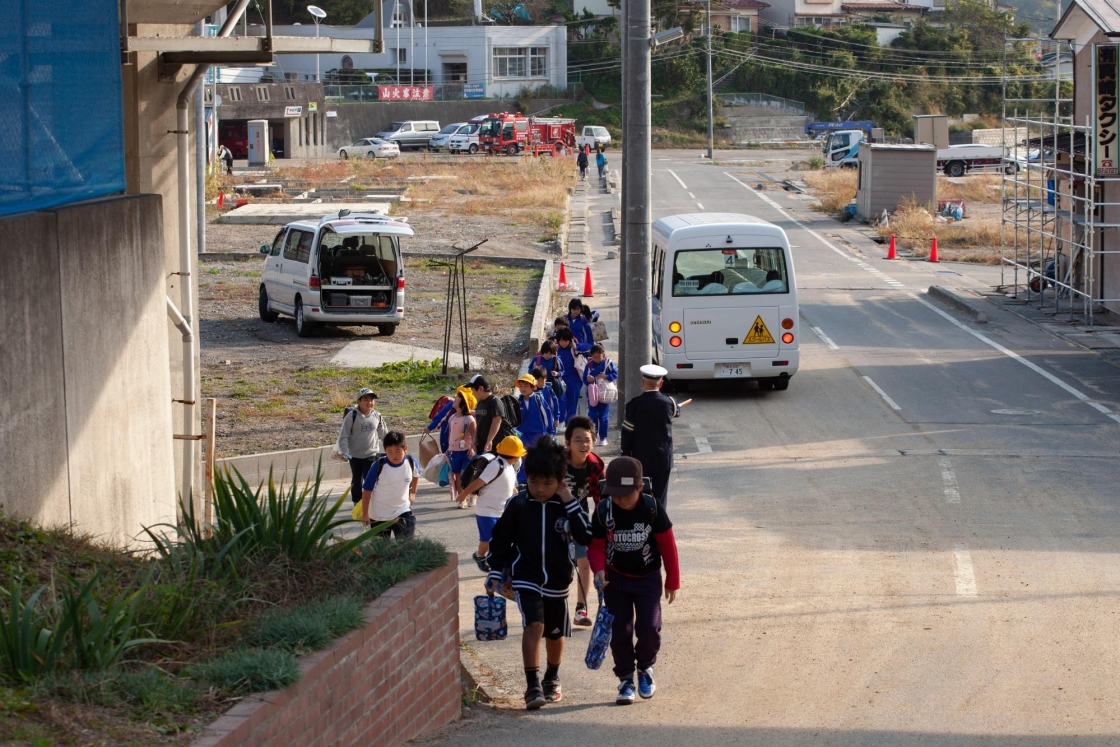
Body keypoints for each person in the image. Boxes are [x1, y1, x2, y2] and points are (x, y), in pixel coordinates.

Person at [485, 440, 592, 710]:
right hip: (526, 577)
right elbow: (500, 540)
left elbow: (586, 535)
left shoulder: (565, 505)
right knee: (534, 625)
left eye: (547, 483)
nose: (540, 489)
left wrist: (569, 500)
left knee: (555, 634)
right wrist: (495, 572)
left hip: (557, 581)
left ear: (560, 481)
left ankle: (551, 677)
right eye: (534, 482)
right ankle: (532, 686)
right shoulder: (519, 503)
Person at [588, 457, 680, 705]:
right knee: (620, 631)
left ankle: (646, 668)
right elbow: (595, 548)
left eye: (625, 495)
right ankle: (626, 678)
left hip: (647, 579)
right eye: (615, 495)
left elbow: (667, 545)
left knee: (649, 628)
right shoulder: (603, 510)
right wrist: (598, 570)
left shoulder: (652, 507)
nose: (620, 500)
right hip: (615, 580)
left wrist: (673, 579)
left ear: (640, 488)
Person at [563, 415, 604, 627]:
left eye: (587, 439)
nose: (583, 444)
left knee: (584, 561)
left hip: (580, 516)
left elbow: (601, 500)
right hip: (555, 518)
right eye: (578, 440)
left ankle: (581, 608)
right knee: (558, 563)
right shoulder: (557, 461)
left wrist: (601, 528)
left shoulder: (595, 465)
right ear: (567, 442)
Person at [620, 364, 681, 509]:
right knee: (660, 498)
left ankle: (644, 523)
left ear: (642, 383)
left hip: (641, 458)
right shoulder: (669, 403)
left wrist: (625, 454)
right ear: (661, 383)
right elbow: (676, 411)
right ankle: (660, 525)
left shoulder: (633, 405)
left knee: (641, 495)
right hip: (663, 458)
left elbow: (627, 433)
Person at [462, 435, 524, 572]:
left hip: (502, 510)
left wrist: (520, 498)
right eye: (519, 455)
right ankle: (481, 557)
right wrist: (463, 494)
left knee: (498, 538)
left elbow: (510, 488)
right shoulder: (496, 466)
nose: (520, 458)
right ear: (513, 456)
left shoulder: (509, 467)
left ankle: (492, 559)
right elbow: (479, 482)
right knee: (488, 539)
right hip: (487, 510)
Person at [359, 431, 420, 538]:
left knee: (406, 546)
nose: (394, 455)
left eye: (398, 451)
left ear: (405, 448)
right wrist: (365, 514)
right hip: (379, 515)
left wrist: (413, 493)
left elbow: (416, 475)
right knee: (382, 550)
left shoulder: (411, 462)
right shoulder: (379, 466)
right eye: (389, 451)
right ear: (385, 450)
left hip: (402, 510)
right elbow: (367, 490)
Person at [338, 387, 389, 505]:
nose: (369, 402)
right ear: (358, 402)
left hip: (371, 454)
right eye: (365, 399)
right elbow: (344, 436)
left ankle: (371, 503)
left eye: (371, 400)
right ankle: (357, 503)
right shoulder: (352, 416)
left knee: (371, 480)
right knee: (357, 480)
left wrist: (393, 449)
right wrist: (345, 451)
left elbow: (385, 435)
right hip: (354, 455)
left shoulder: (377, 416)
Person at [445, 391, 477, 508]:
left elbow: (475, 435)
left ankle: (472, 495)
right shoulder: (452, 418)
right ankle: (461, 497)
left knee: (465, 475)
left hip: (467, 451)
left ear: (463, 403)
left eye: (458, 398)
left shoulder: (469, 419)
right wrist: (449, 449)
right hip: (454, 452)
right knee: (457, 475)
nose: (455, 399)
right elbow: (450, 435)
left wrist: (473, 448)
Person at [584, 343, 618, 446]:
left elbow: (615, 374)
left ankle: (603, 437)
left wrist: (606, 376)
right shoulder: (589, 364)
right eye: (594, 357)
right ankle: (594, 435)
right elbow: (585, 379)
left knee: (603, 417)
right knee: (593, 415)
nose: (597, 359)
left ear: (603, 354)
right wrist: (589, 379)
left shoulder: (608, 363)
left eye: (599, 357)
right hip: (593, 394)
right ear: (591, 356)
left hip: (605, 395)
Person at [471, 376, 512, 455]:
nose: (472, 393)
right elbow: (478, 423)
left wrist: (489, 440)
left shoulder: (494, 401)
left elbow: (497, 421)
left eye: (473, 390)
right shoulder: (480, 403)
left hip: (495, 446)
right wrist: (474, 441)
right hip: (482, 446)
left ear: (480, 389)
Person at [555, 328, 584, 422]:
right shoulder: (555, 350)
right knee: (561, 400)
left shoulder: (575, 349)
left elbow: (589, 346)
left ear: (570, 340)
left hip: (574, 379)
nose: (563, 343)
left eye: (566, 340)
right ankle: (561, 420)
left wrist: (577, 346)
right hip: (560, 379)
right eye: (561, 340)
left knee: (573, 401)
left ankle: (570, 421)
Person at [533, 367, 561, 436]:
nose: (540, 383)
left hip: (550, 419)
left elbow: (555, 404)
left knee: (550, 437)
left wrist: (556, 418)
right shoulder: (531, 391)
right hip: (537, 420)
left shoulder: (549, 390)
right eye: (538, 381)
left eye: (543, 381)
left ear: (546, 379)